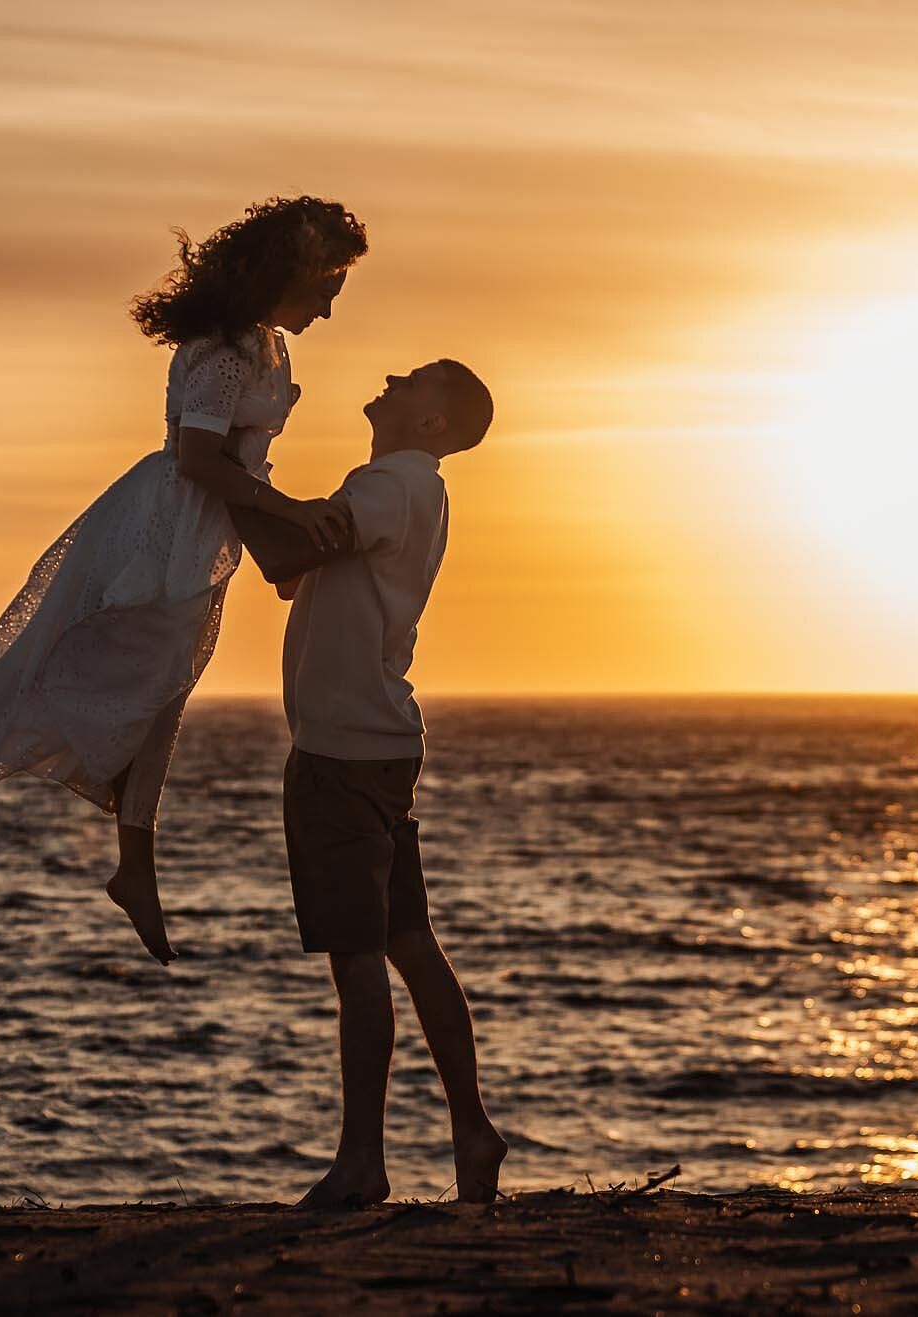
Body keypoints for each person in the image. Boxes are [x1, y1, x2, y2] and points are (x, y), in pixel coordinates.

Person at [0, 196, 364, 966]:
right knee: (83, 669)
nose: (334, 304)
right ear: (294, 270)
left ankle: (135, 866)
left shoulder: (268, 344)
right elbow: (199, 461)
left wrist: (276, 532)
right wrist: (289, 512)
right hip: (166, 529)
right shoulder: (228, 349)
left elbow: (236, 466)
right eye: (330, 283)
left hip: (209, 533)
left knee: (162, 699)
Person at [277, 359, 508, 1208]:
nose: (389, 377)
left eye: (410, 381)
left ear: (434, 424)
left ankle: (362, 1161)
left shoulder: (390, 481)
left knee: (360, 959)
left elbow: (288, 550)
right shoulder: (415, 490)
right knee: (409, 939)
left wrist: (221, 471)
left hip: (340, 750)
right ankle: (472, 1128)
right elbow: (296, 570)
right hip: (381, 740)